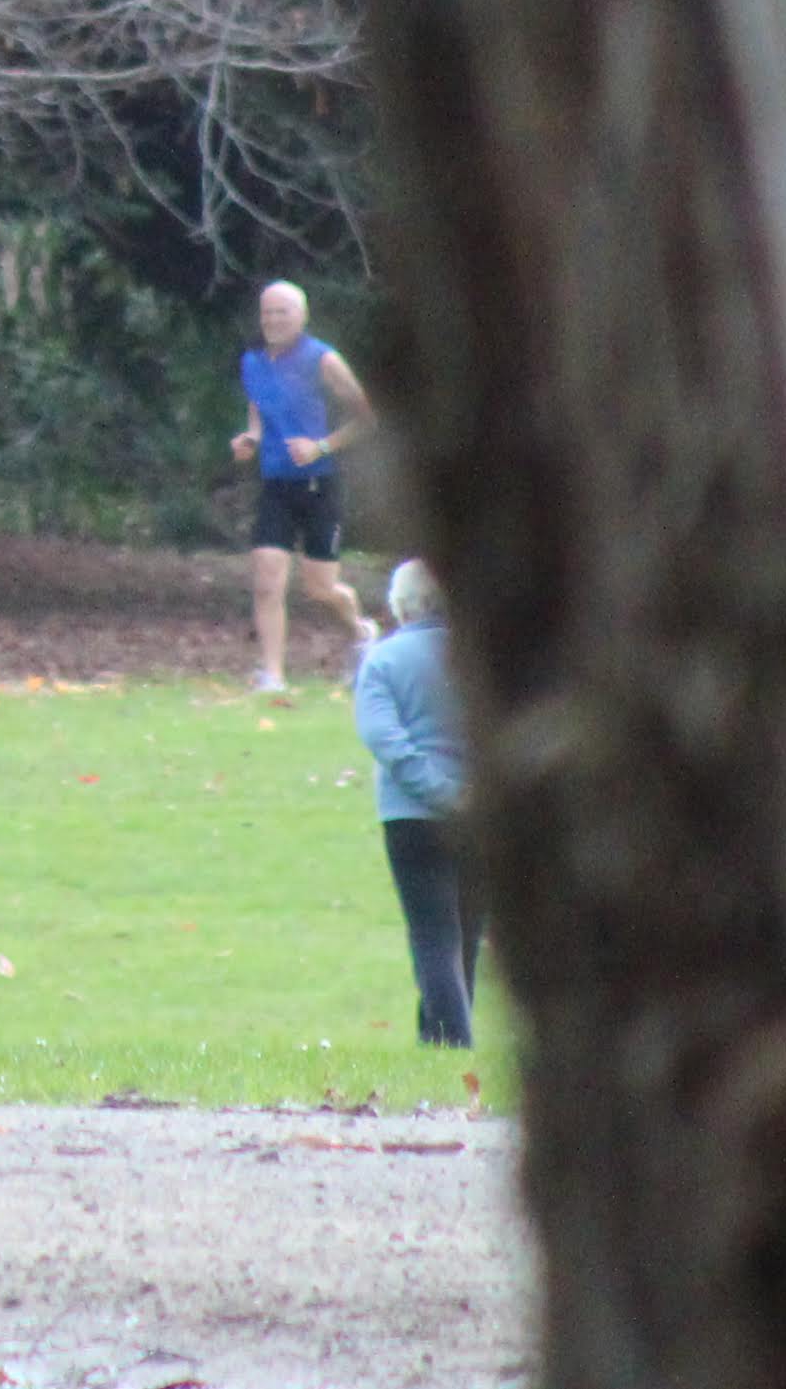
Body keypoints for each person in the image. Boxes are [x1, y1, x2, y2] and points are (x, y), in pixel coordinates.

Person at [230, 279, 379, 691]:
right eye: (268, 313)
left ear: (302, 316)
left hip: (319, 485)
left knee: (321, 588)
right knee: (266, 579)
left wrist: (320, 447)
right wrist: (252, 437)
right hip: (276, 485)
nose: (274, 320)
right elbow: (258, 404)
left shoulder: (324, 360)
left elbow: (367, 418)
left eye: (283, 312)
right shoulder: (253, 362)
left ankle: (362, 631)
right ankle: (272, 675)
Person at [357, 559, 479, 1046]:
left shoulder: (384, 660)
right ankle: (440, 1044)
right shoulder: (479, 657)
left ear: (401, 604)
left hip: (410, 816)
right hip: (478, 810)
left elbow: (384, 738)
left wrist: (433, 789)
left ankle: (449, 1045)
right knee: (466, 936)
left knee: (433, 936)